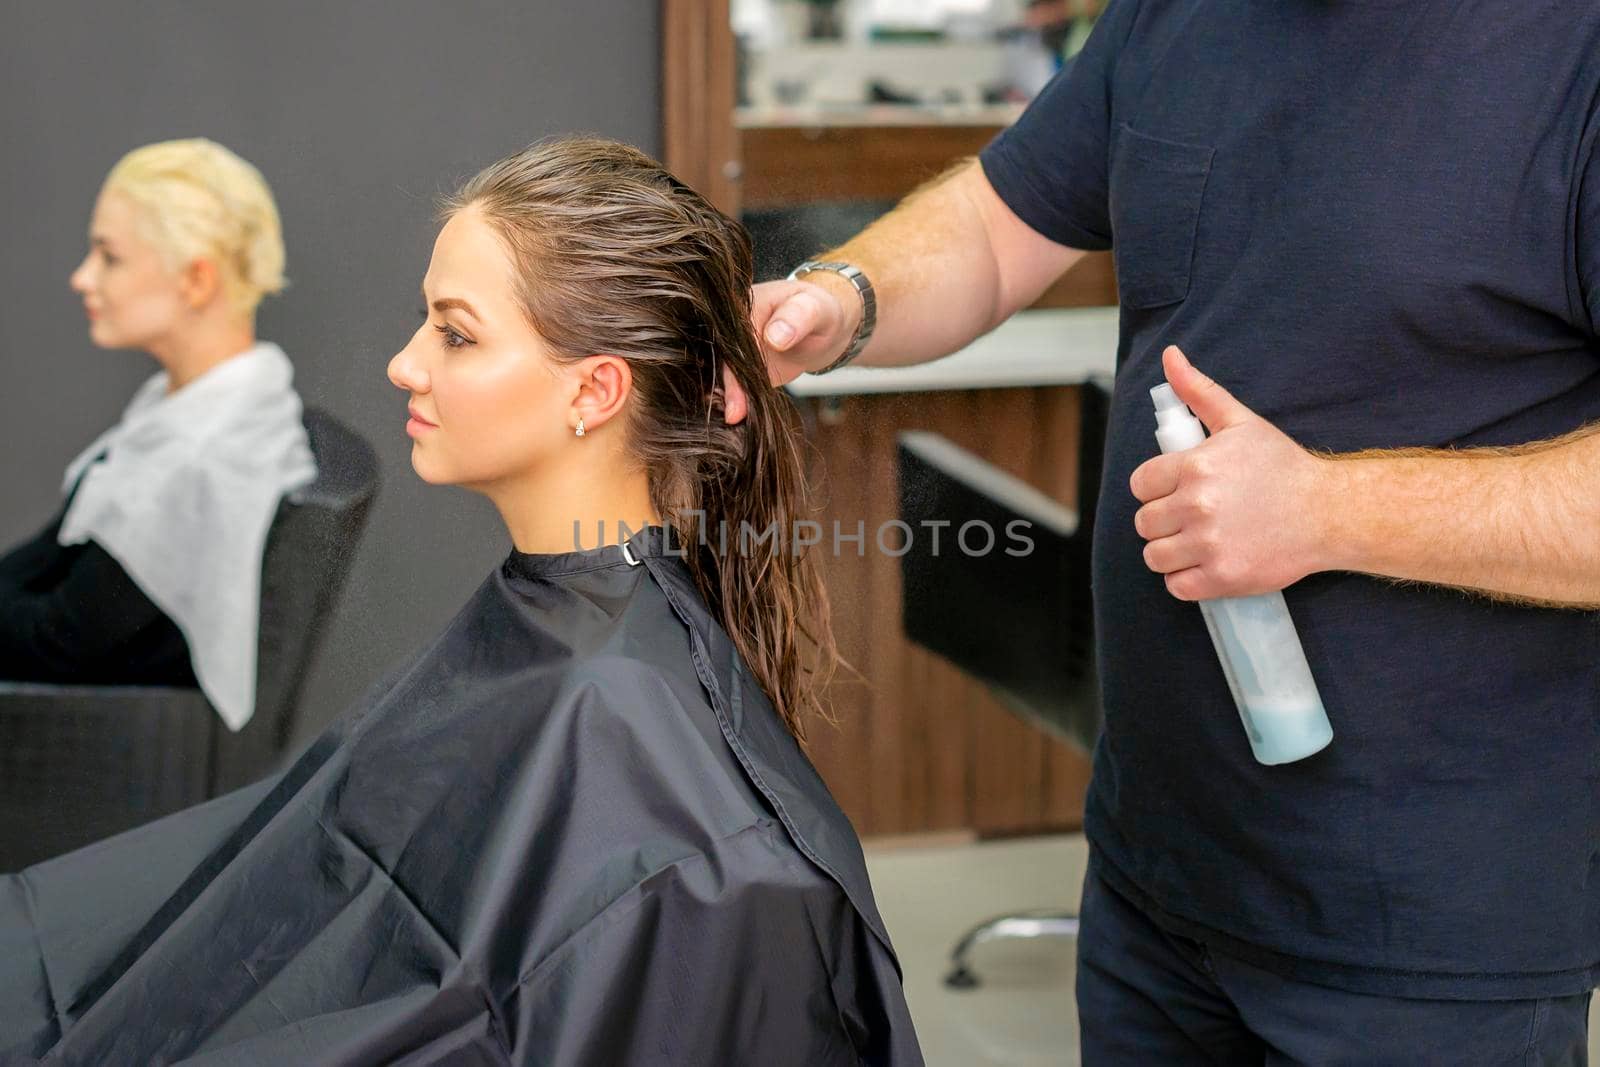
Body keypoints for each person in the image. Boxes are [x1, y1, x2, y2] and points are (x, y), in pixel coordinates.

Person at [733, 2, 1600, 1061]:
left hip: (1424, 929)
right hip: (1154, 873)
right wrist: (844, 300)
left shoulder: (1568, 53)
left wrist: (1330, 509)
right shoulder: (1177, 15)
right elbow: (995, 227)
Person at [0, 137, 922, 1066]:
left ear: (594, 390)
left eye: (456, 332)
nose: (405, 364)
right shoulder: (557, 628)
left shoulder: (701, 836)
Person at [0, 138, 315, 732]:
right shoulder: (205, 408)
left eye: (109, 258)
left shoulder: (199, 458)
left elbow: (57, 642)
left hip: (95, 749)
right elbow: (55, 557)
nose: (82, 278)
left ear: (196, 281)